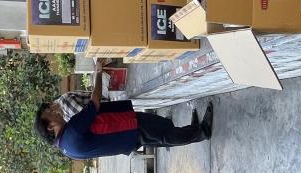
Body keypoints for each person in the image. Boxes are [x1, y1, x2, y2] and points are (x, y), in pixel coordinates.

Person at [35, 60, 213, 160]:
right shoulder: (72, 131)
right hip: (126, 128)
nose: (56, 112)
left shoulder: (67, 149)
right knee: (165, 133)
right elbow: (94, 104)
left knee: (162, 138)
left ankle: (194, 131)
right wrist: (98, 73)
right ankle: (202, 131)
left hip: (124, 140)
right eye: (51, 114)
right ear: (50, 126)